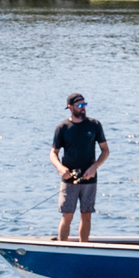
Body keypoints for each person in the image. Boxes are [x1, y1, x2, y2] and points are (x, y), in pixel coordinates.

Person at [49, 93, 108, 240]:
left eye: (84, 105)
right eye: (79, 105)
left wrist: (94, 167)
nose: (83, 108)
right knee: (67, 214)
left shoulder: (94, 125)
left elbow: (105, 151)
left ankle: (84, 246)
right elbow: (53, 153)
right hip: (69, 179)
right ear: (70, 107)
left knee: (86, 214)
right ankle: (62, 247)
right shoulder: (62, 128)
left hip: (89, 178)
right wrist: (60, 168)